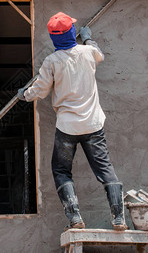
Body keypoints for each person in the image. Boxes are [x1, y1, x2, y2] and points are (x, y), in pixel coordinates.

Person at [17, 12, 127, 231]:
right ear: (72, 32)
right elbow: (99, 54)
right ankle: (119, 219)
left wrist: (24, 94)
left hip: (67, 128)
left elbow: (40, 90)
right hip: (93, 125)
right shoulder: (88, 52)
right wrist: (87, 37)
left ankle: (75, 219)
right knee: (105, 170)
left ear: (53, 38)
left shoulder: (51, 62)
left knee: (61, 171)